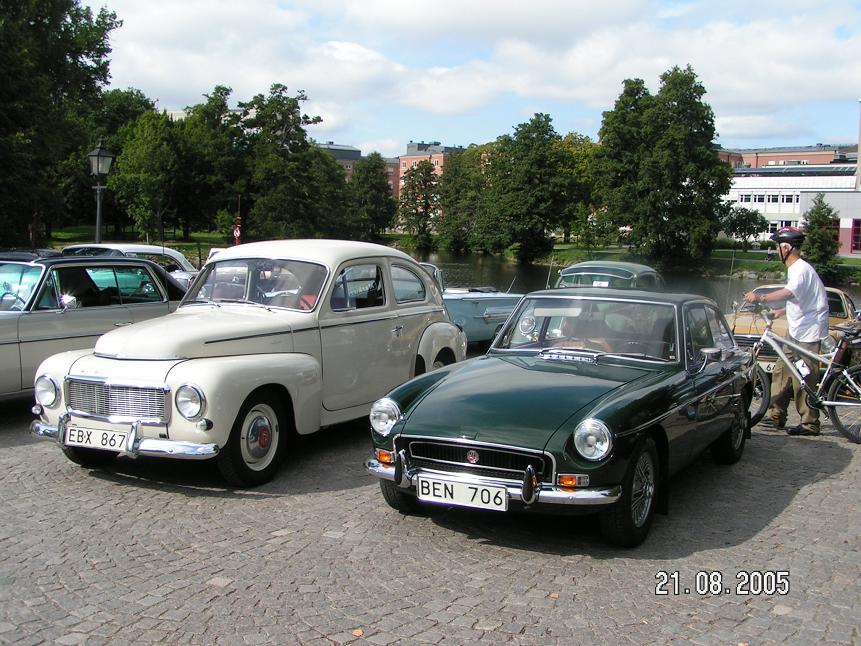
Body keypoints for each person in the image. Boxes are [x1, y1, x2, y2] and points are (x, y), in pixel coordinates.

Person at [743, 227, 829, 436]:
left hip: (808, 331)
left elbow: (789, 293)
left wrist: (761, 298)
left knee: (804, 376)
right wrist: (780, 312)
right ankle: (776, 415)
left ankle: (810, 423)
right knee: (781, 370)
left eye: (777, 247)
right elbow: (800, 299)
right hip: (797, 328)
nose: (776, 250)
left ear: (786, 248)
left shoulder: (800, 269)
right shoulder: (796, 269)